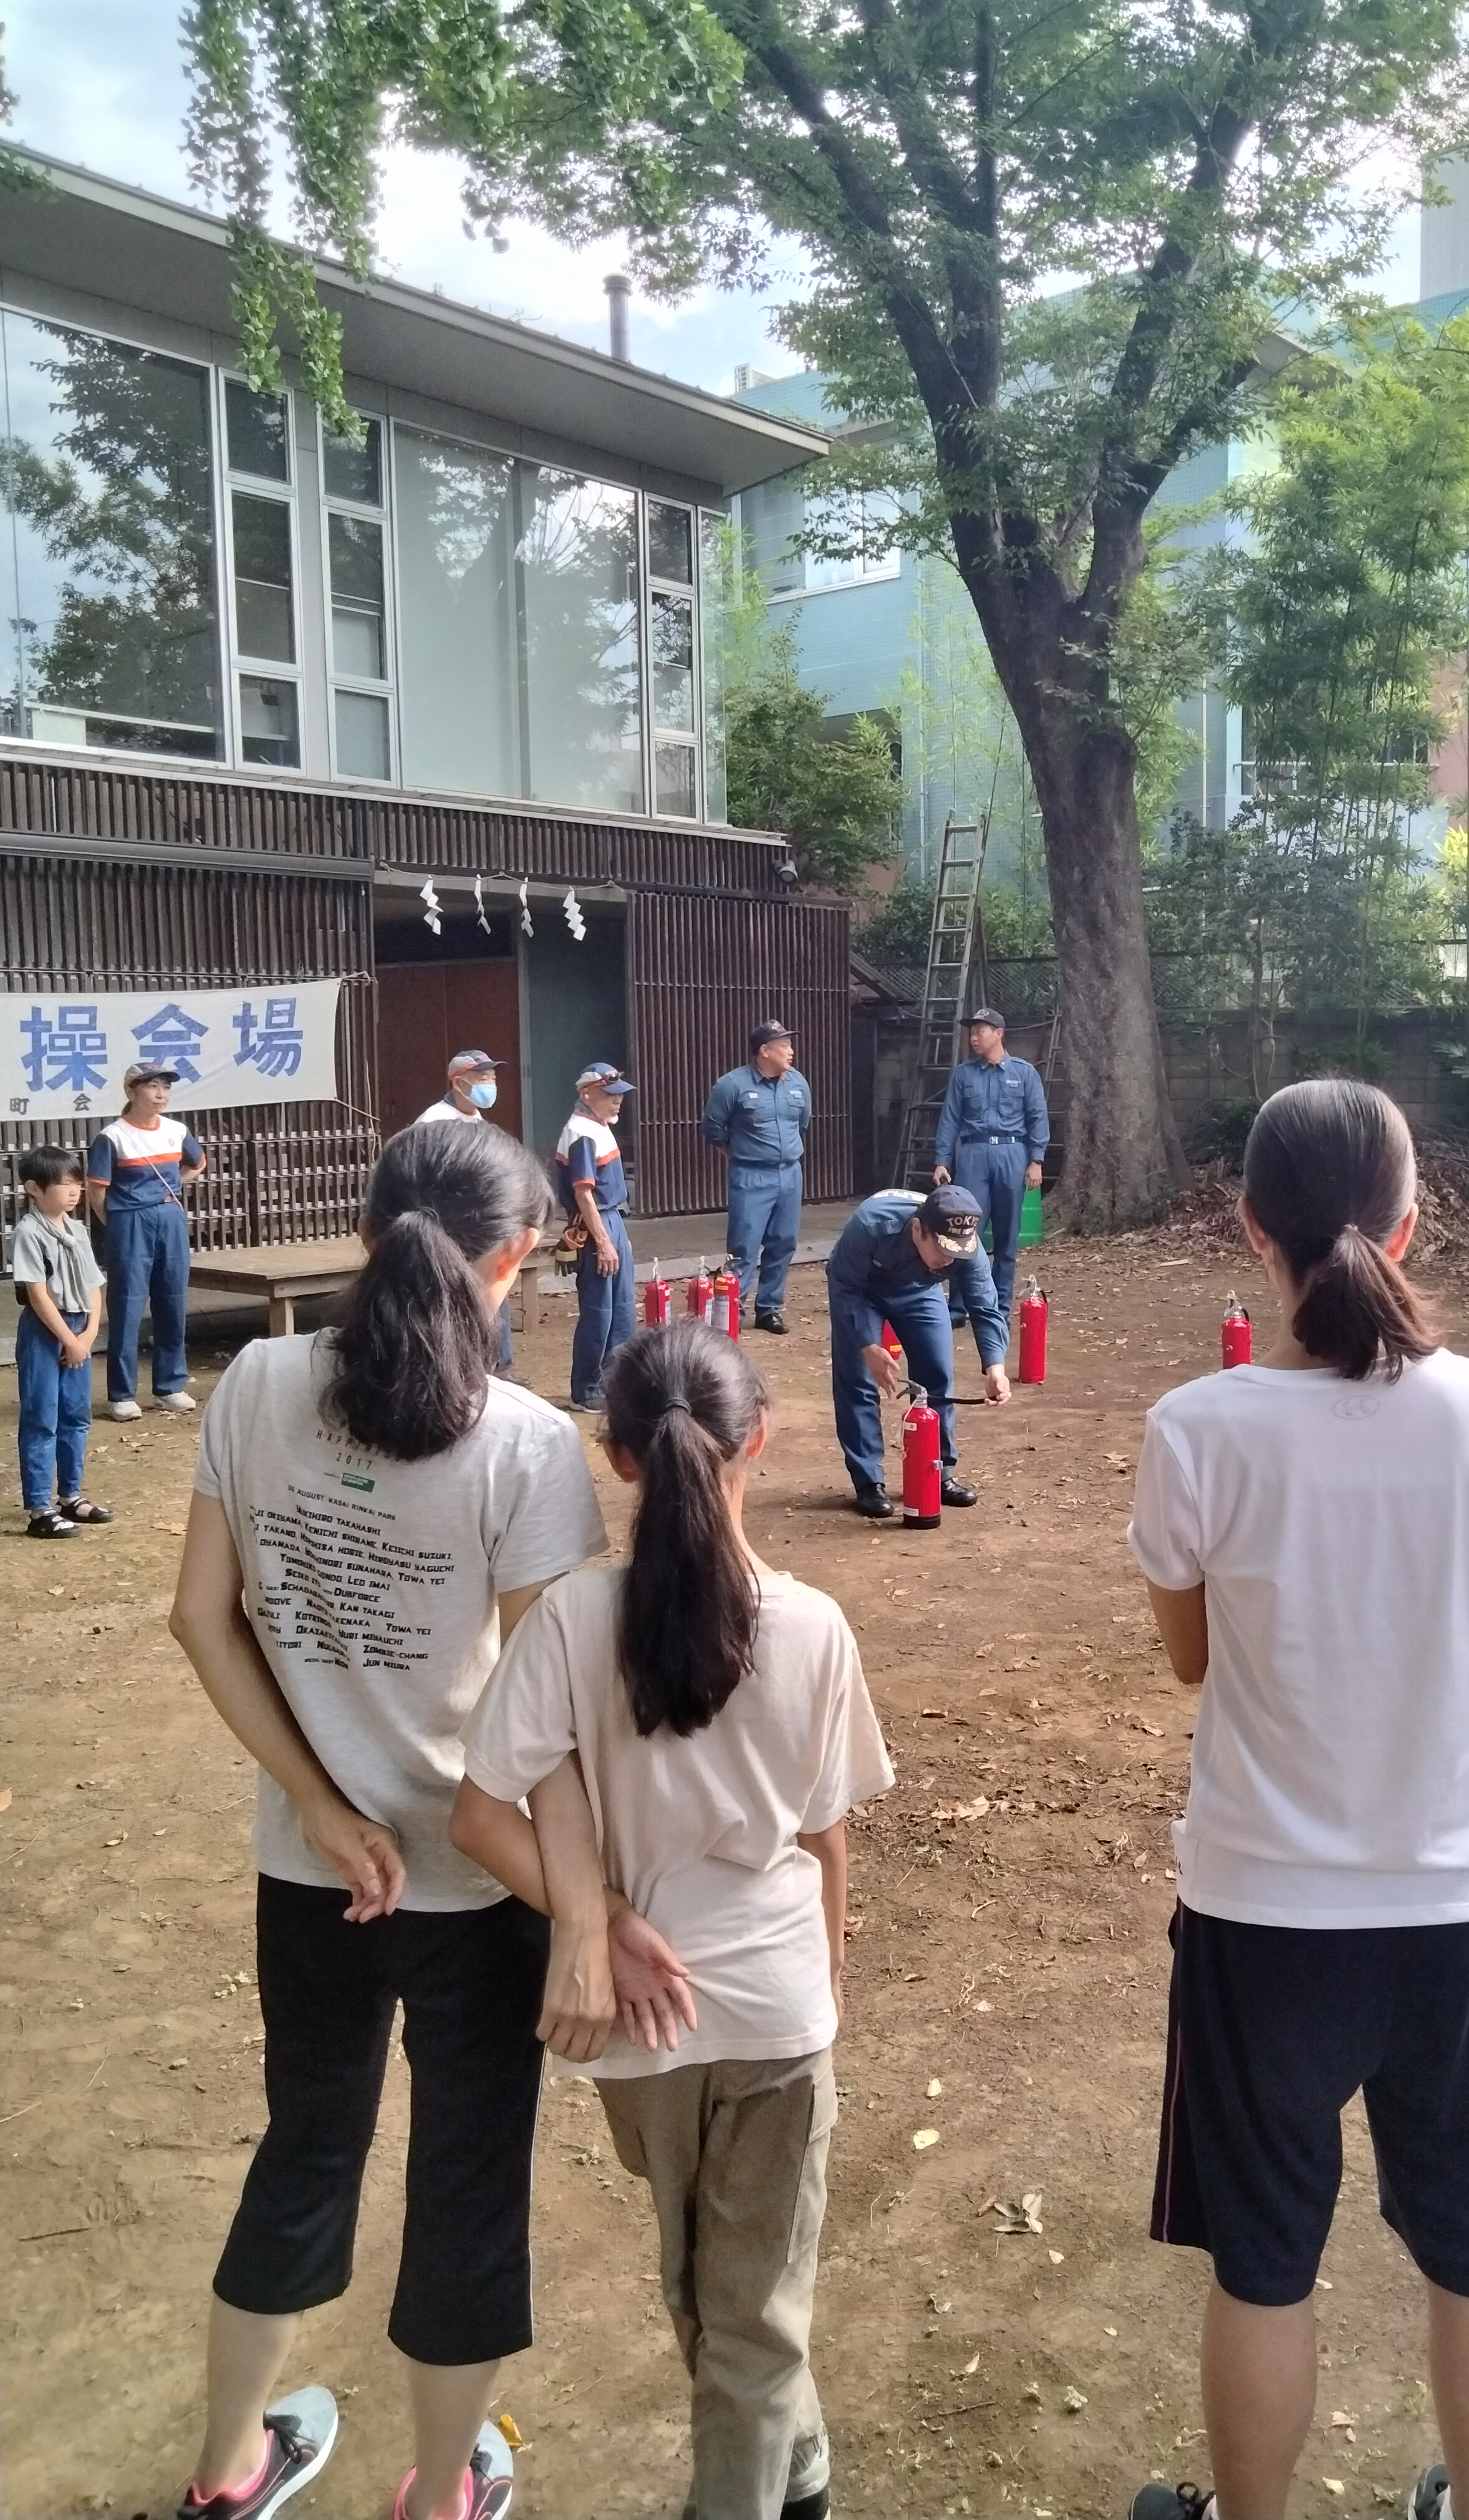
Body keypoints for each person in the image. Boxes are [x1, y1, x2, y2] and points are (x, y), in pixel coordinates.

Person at [1125, 1079, 1469, 2520]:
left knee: (1264, 2261)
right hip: (1456, 1904)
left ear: (1248, 1223)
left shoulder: (1200, 1428)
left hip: (1262, 1911)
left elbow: (1192, 1658)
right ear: (1411, 1220)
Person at [165, 1118, 614, 2520]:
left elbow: (201, 1618)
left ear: (364, 1236)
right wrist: (585, 1912)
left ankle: (228, 2469)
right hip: (475, 1884)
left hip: (311, 1866)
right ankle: (439, 2496)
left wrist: (315, 1799)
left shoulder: (257, 1385)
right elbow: (551, 1723)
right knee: (466, 2180)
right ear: (517, 1259)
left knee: (307, 2144)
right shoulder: (527, 1445)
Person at [453, 1319, 894, 2520]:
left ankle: (776, 2482)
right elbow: (825, 1834)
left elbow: (480, 1819)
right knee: (740, 2302)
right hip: (775, 2013)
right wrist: (828, 1977)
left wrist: (599, 1917)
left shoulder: (569, 1623)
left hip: (640, 2026)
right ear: (762, 1441)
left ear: (619, 1458)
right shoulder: (814, 1625)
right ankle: (789, 2475)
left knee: (715, 2293)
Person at [824, 1184, 1010, 1519]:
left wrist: (995, 1366)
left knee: (937, 1372)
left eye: (958, 1250)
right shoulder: (871, 1225)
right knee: (858, 1379)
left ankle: (937, 1472)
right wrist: (867, 1344)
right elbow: (844, 1284)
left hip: (920, 1291)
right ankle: (868, 1482)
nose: (950, 1259)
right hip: (862, 1291)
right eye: (942, 1248)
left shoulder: (966, 1246)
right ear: (917, 1229)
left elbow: (985, 1305)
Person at [87, 1059, 206, 1420]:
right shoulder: (112, 1137)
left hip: (170, 1215)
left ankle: (170, 1387)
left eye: (166, 1087)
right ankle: (121, 1394)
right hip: (129, 1220)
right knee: (127, 1305)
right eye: (152, 1086)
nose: (161, 1094)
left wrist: (171, 1188)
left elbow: (198, 1163)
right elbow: (96, 1191)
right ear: (131, 1091)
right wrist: (118, 1222)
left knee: (173, 1300)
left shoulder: (177, 1130)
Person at [12, 1143, 111, 1539]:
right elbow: (37, 1294)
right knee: (41, 1416)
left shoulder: (78, 1230)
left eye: (77, 1183)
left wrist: (89, 1334)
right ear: (35, 1188)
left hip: (79, 1329)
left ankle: (70, 1495)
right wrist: (70, 1340)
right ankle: (40, 1508)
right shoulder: (29, 1232)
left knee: (75, 1414)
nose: (74, 1191)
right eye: (63, 1184)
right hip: (45, 1330)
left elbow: (94, 1285)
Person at [932, 1007, 1049, 1326]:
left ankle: (999, 1309)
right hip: (974, 1154)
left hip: (1012, 1153)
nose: (973, 1037)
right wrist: (942, 1160)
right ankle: (958, 1308)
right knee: (964, 1230)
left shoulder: (1024, 1073)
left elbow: (1038, 1117)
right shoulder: (964, 1075)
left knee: (1007, 1236)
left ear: (999, 1034)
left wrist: (1036, 1160)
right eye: (971, 1032)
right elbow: (950, 1120)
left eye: (980, 1031)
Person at [703, 1020, 812, 1335]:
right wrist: (737, 1153)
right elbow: (713, 1129)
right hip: (751, 1175)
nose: (791, 1051)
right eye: (784, 1046)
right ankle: (732, 1313)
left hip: (790, 1174)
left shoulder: (798, 1083)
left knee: (784, 1243)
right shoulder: (732, 1085)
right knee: (744, 1246)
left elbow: (802, 1124)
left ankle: (769, 1309)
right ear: (764, 1051)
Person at [417, 1051, 517, 1375]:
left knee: (495, 1291)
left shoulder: (480, 1122)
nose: (490, 1085)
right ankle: (469, 1369)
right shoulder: (432, 1123)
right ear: (459, 1083)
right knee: (460, 1299)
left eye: (493, 1079)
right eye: (482, 1079)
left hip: (483, 1225)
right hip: (450, 1228)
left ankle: (500, 1367)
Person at [554, 1062, 635, 1414]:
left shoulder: (598, 1126)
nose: (618, 1101)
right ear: (587, 1095)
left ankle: (614, 1384)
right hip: (596, 1223)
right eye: (610, 1095)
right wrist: (603, 1242)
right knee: (599, 1313)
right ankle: (587, 1390)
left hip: (612, 1217)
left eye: (620, 1095)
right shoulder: (581, 1133)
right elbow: (584, 1193)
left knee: (622, 1309)